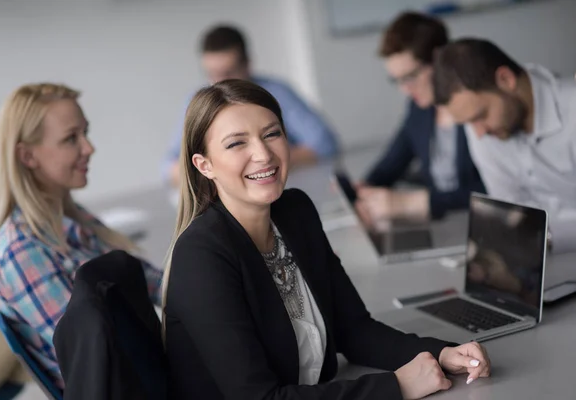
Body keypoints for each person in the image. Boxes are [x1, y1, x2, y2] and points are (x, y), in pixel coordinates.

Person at [161, 79, 490, 399]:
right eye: (237, 143)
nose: (263, 154)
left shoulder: (295, 211)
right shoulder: (201, 255)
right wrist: (397, 387)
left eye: (272, 134)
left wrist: (442, 353)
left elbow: (353, 330)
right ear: (204, 165)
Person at [0, 83, 163, 389]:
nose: (89, 148)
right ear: (27, 156)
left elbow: (151, 281)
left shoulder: (71, 219)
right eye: (70, 139)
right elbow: (101, 352)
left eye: (85, 133)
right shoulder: (21, 252)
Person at [432, 38, 576, 253]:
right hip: (547, 262)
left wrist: (543, 237)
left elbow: (527, 230)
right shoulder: (481, 128)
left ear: (506, 79)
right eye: (469, 123)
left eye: (480, 116)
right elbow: (511, 212)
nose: (479, 133)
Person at [161, 25, 339, 187]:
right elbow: (170, 167)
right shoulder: (196, 102)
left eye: (271, 134)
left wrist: (265, 164)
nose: (220, 83)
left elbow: (324, 143)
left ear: (247, 64)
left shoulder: (276, 92)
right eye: (212, 74)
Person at [356, 12, 485, 224]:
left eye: (410, 77)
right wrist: (364, 189)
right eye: (397, 80)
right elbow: (392, 162)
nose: (405, 90)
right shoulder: (420, 109)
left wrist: (419, 203)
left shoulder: (476, 108)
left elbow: (496, 188)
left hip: (477, 225)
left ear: (438, 59)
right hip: (449, 226)